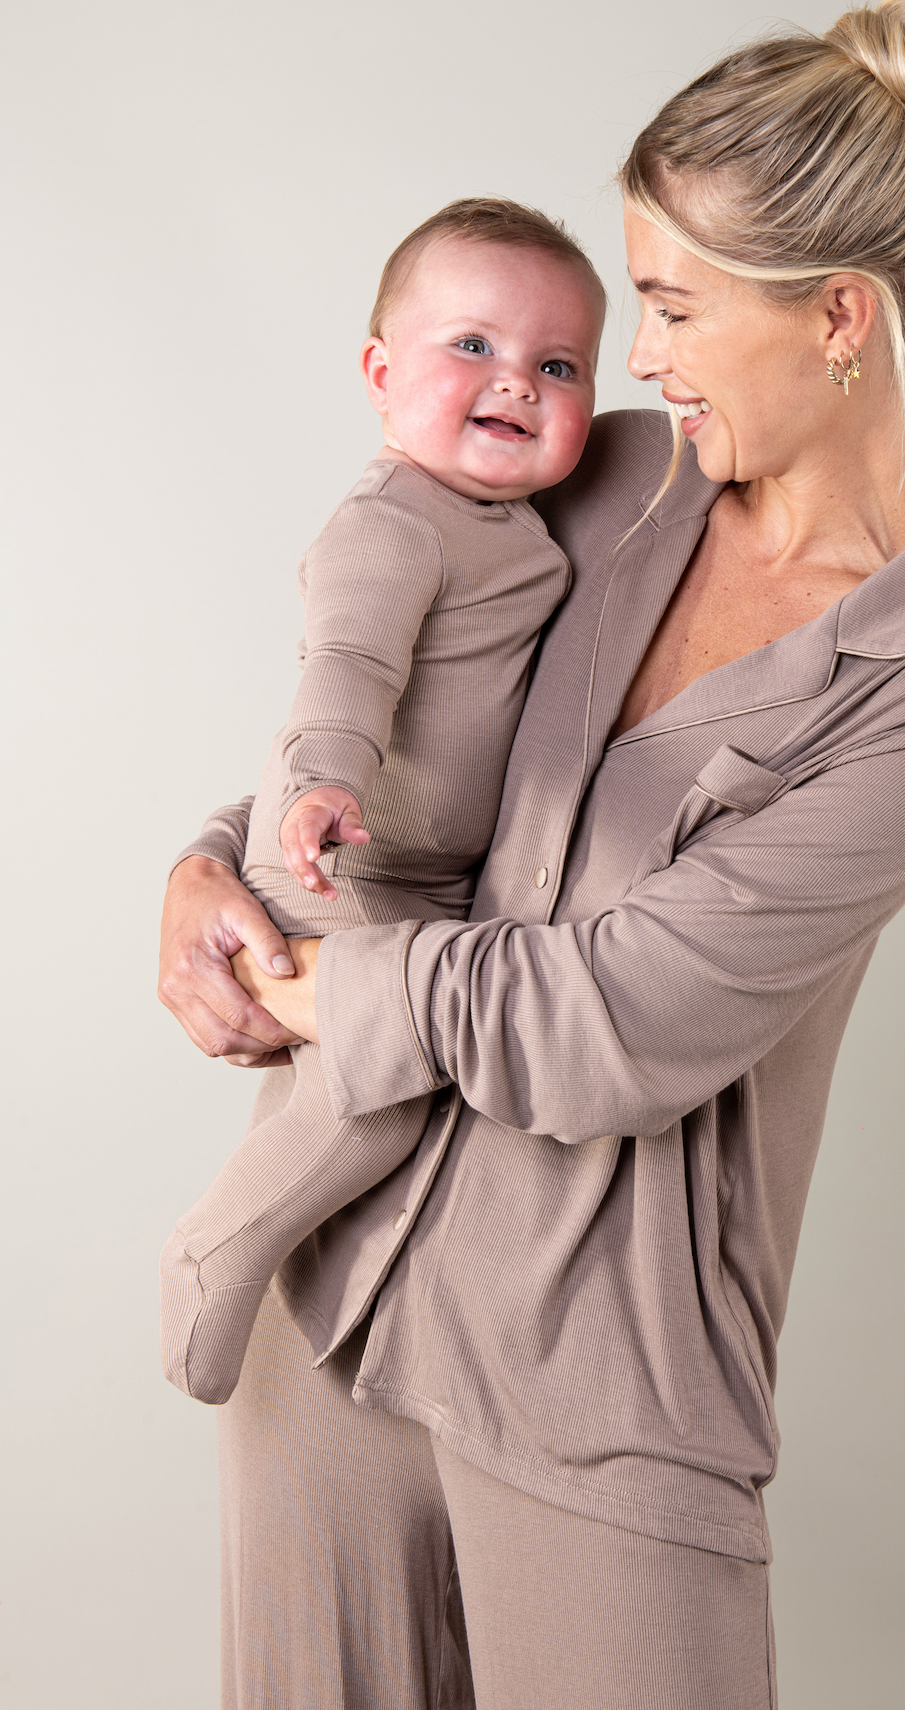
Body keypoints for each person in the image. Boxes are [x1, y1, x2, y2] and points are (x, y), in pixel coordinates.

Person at [159, 0, 905, 1710]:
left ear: (841, 320)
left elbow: (624, 1021)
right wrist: (209, 866)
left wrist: (333, 981)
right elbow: (411, 742)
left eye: (677, 305)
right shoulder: (612, 479)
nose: (634, 357)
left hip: (606, 1375)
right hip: (333, 1277)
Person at [160, 199, 606, 1404]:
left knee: (386, 1084)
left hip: (427, 880)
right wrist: (320, 789)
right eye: (472, 345)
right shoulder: (392, 520)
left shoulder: (510, 523)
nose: (515, 381)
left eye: (557, 365)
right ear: (379, 373)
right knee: (374, 1096)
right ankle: (207, 1256)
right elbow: (347, 669)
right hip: (343, 861)